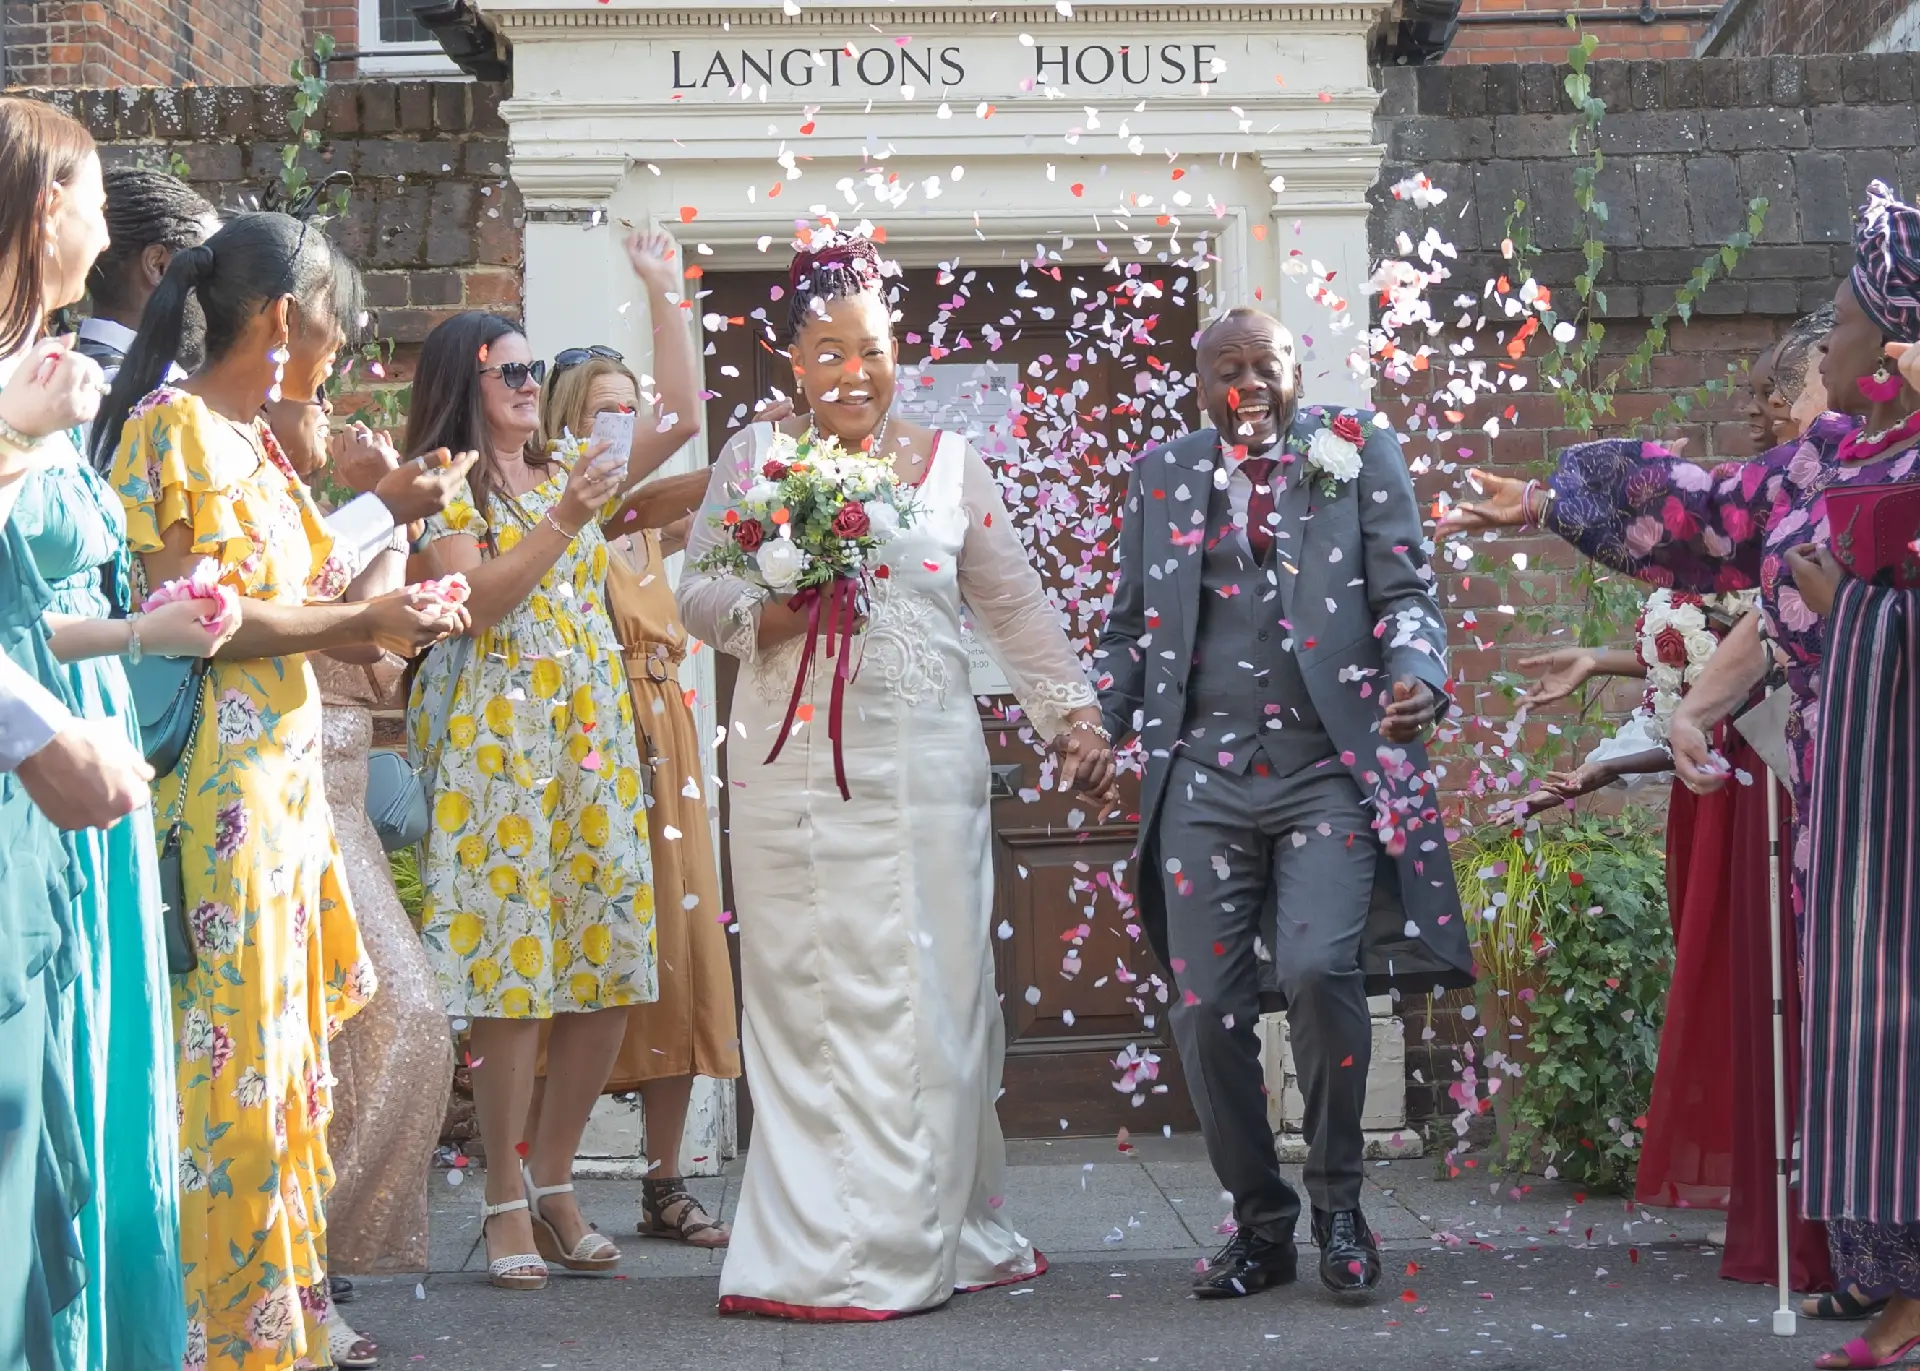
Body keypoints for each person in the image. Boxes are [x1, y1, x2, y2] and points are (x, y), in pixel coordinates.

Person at [1439, 180, 1920, 1371]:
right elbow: (1715, 520)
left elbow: (1830, 600)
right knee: (1871, 1032)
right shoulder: (1837, 459)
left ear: (1891, 350)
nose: (1827, 342)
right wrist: (1544, 501)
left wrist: (1853, 612)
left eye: (1844, 323)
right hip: (1853, 801)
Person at [677, 233, 1114, 1319]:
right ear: (792, 363)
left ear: (896, 350)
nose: (852, 372)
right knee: (808, 997)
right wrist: (782, 608)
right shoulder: (753, 457)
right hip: (788, 777)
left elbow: (1011, 604)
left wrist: (1073, 721)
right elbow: (697, 594)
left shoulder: (952, 464)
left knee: (934, 999)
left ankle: (936, 1227)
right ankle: (820, 1247)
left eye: (869, 349)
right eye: (827, 353)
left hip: (925, 773)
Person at [96, 210, 470, 1371]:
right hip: (220, 798)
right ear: (282, 317)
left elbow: (312, 596)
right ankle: (216, 1338)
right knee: (234, 1068)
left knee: (286, 1069)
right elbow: (191, 620)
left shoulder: (254, 443)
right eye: (335, 323)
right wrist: (360, 615)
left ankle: (281, 1324)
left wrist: (395, 590)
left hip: (284, 793)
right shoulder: (171, 429)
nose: (344, 346)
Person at [1093, 306, 1468, 1300]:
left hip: (1326, 768)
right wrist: (1097, 724)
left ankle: (1340, 1200)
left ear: (1297, 372)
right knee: (1205, 1008)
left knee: (1317, 964)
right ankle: (1262, 1225)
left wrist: (1418, 676)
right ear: (1200, 383)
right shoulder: (1162, 474)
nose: (1248, 383)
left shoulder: (1355, 447)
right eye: (1228, 368)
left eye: (1266, 365)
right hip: (1203, 775)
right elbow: (1129, 630)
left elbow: (1407, 594)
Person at [2, 97, 252, 1371]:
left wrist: (146, 631)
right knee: (27, 1104)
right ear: (47, 204)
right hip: (26, 775)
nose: (106, 232)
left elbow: (34, 609)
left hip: (83, 750)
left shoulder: (40, 367)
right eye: (96, 199)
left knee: (88, 1094)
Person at [406, 295, 664, 1291]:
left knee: (609, 959)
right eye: (509, 371)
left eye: (532, 368)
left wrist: (663, 289)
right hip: (496, 744)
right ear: (464, 383)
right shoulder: (442, 484)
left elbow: (681, 420)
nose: (529, 385)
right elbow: (473, 604)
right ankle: (503, 1195)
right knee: (510, 972)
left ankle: (555, 1180)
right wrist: (564, 519)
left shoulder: (566, 471)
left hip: (587, 739)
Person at [260, 381, 468, 1367]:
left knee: (409, 1020)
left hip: (345, 794)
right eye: (307, 390)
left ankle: (315, 1247)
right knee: (300, 1047)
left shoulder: (347, 515)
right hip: (276, 781)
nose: (328, 412)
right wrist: (375, 509)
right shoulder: (263, 506)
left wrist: (392, 513)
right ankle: (293, 1272)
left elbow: (381, 656)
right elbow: (332, 624)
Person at [528, 318, 740, 1247]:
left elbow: (710, 507)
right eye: (601, 414)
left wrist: (768, 458)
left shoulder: (651, 521)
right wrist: (734, 453)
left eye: (629, 411)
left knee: (682, 950)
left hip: (670, 735)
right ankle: (544, 1178)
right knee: (589, 946)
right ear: (565, 427)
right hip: (597, 735)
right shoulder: (574, 511)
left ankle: (664, 1181)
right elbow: (649, 491)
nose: (619, 427)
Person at [75, 167, 219, 383]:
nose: (219, 288)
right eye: (206, 266)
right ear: (158, 265)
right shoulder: (112, 388)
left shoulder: (64, 373)